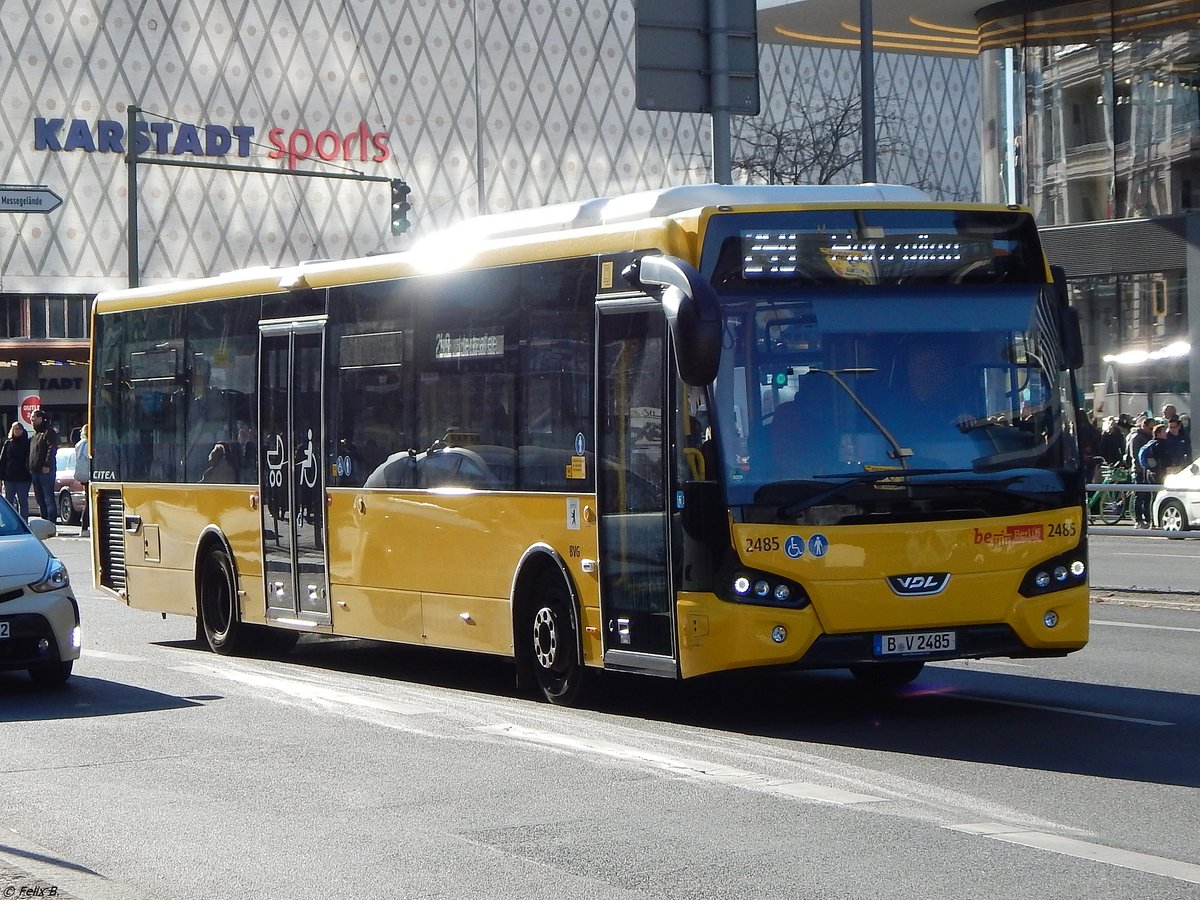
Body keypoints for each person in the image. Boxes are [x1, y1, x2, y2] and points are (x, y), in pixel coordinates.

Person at [28, 409, 59, 521]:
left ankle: (51, 522)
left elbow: (52, 449)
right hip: (35, 471)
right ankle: (44, 521)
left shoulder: (49, 432)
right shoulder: (35, 434)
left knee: (48, 498)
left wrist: (47, 464)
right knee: (40, 499)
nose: (31, 419)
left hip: (45, 471)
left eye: (33, 417)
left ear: (41, 418)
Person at [1127, 416, 1156, 528]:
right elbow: (1135, 455)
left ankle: (1148, 518)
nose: (1152, 430)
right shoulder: (1137, 437)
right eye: (1150, 428)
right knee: (1139, 495)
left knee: (1148, 495)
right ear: (1144, 425)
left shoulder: (1150, 437)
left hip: (1148, 470)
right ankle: (1138, 520)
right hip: (1139, 470)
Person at [0, 422, 32, 519]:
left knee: (23, 501)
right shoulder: (8, 443)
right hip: (9, 477)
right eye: (15, 428)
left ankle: (24, 522)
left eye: (19, 428)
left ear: (23, 430)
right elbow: (2, 460)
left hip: (23, 478)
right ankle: (10, 521)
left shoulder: (27, 443)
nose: (17, 430)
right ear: (12, 430)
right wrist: (1, 477)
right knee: (9, 502)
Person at [74, 424, 91, 532]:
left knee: (87, 501)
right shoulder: (88, 444)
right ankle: (85, 526)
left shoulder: (79, 444)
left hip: (81, 474)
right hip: (89, 475)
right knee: (89, 502)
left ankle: (84, 525)